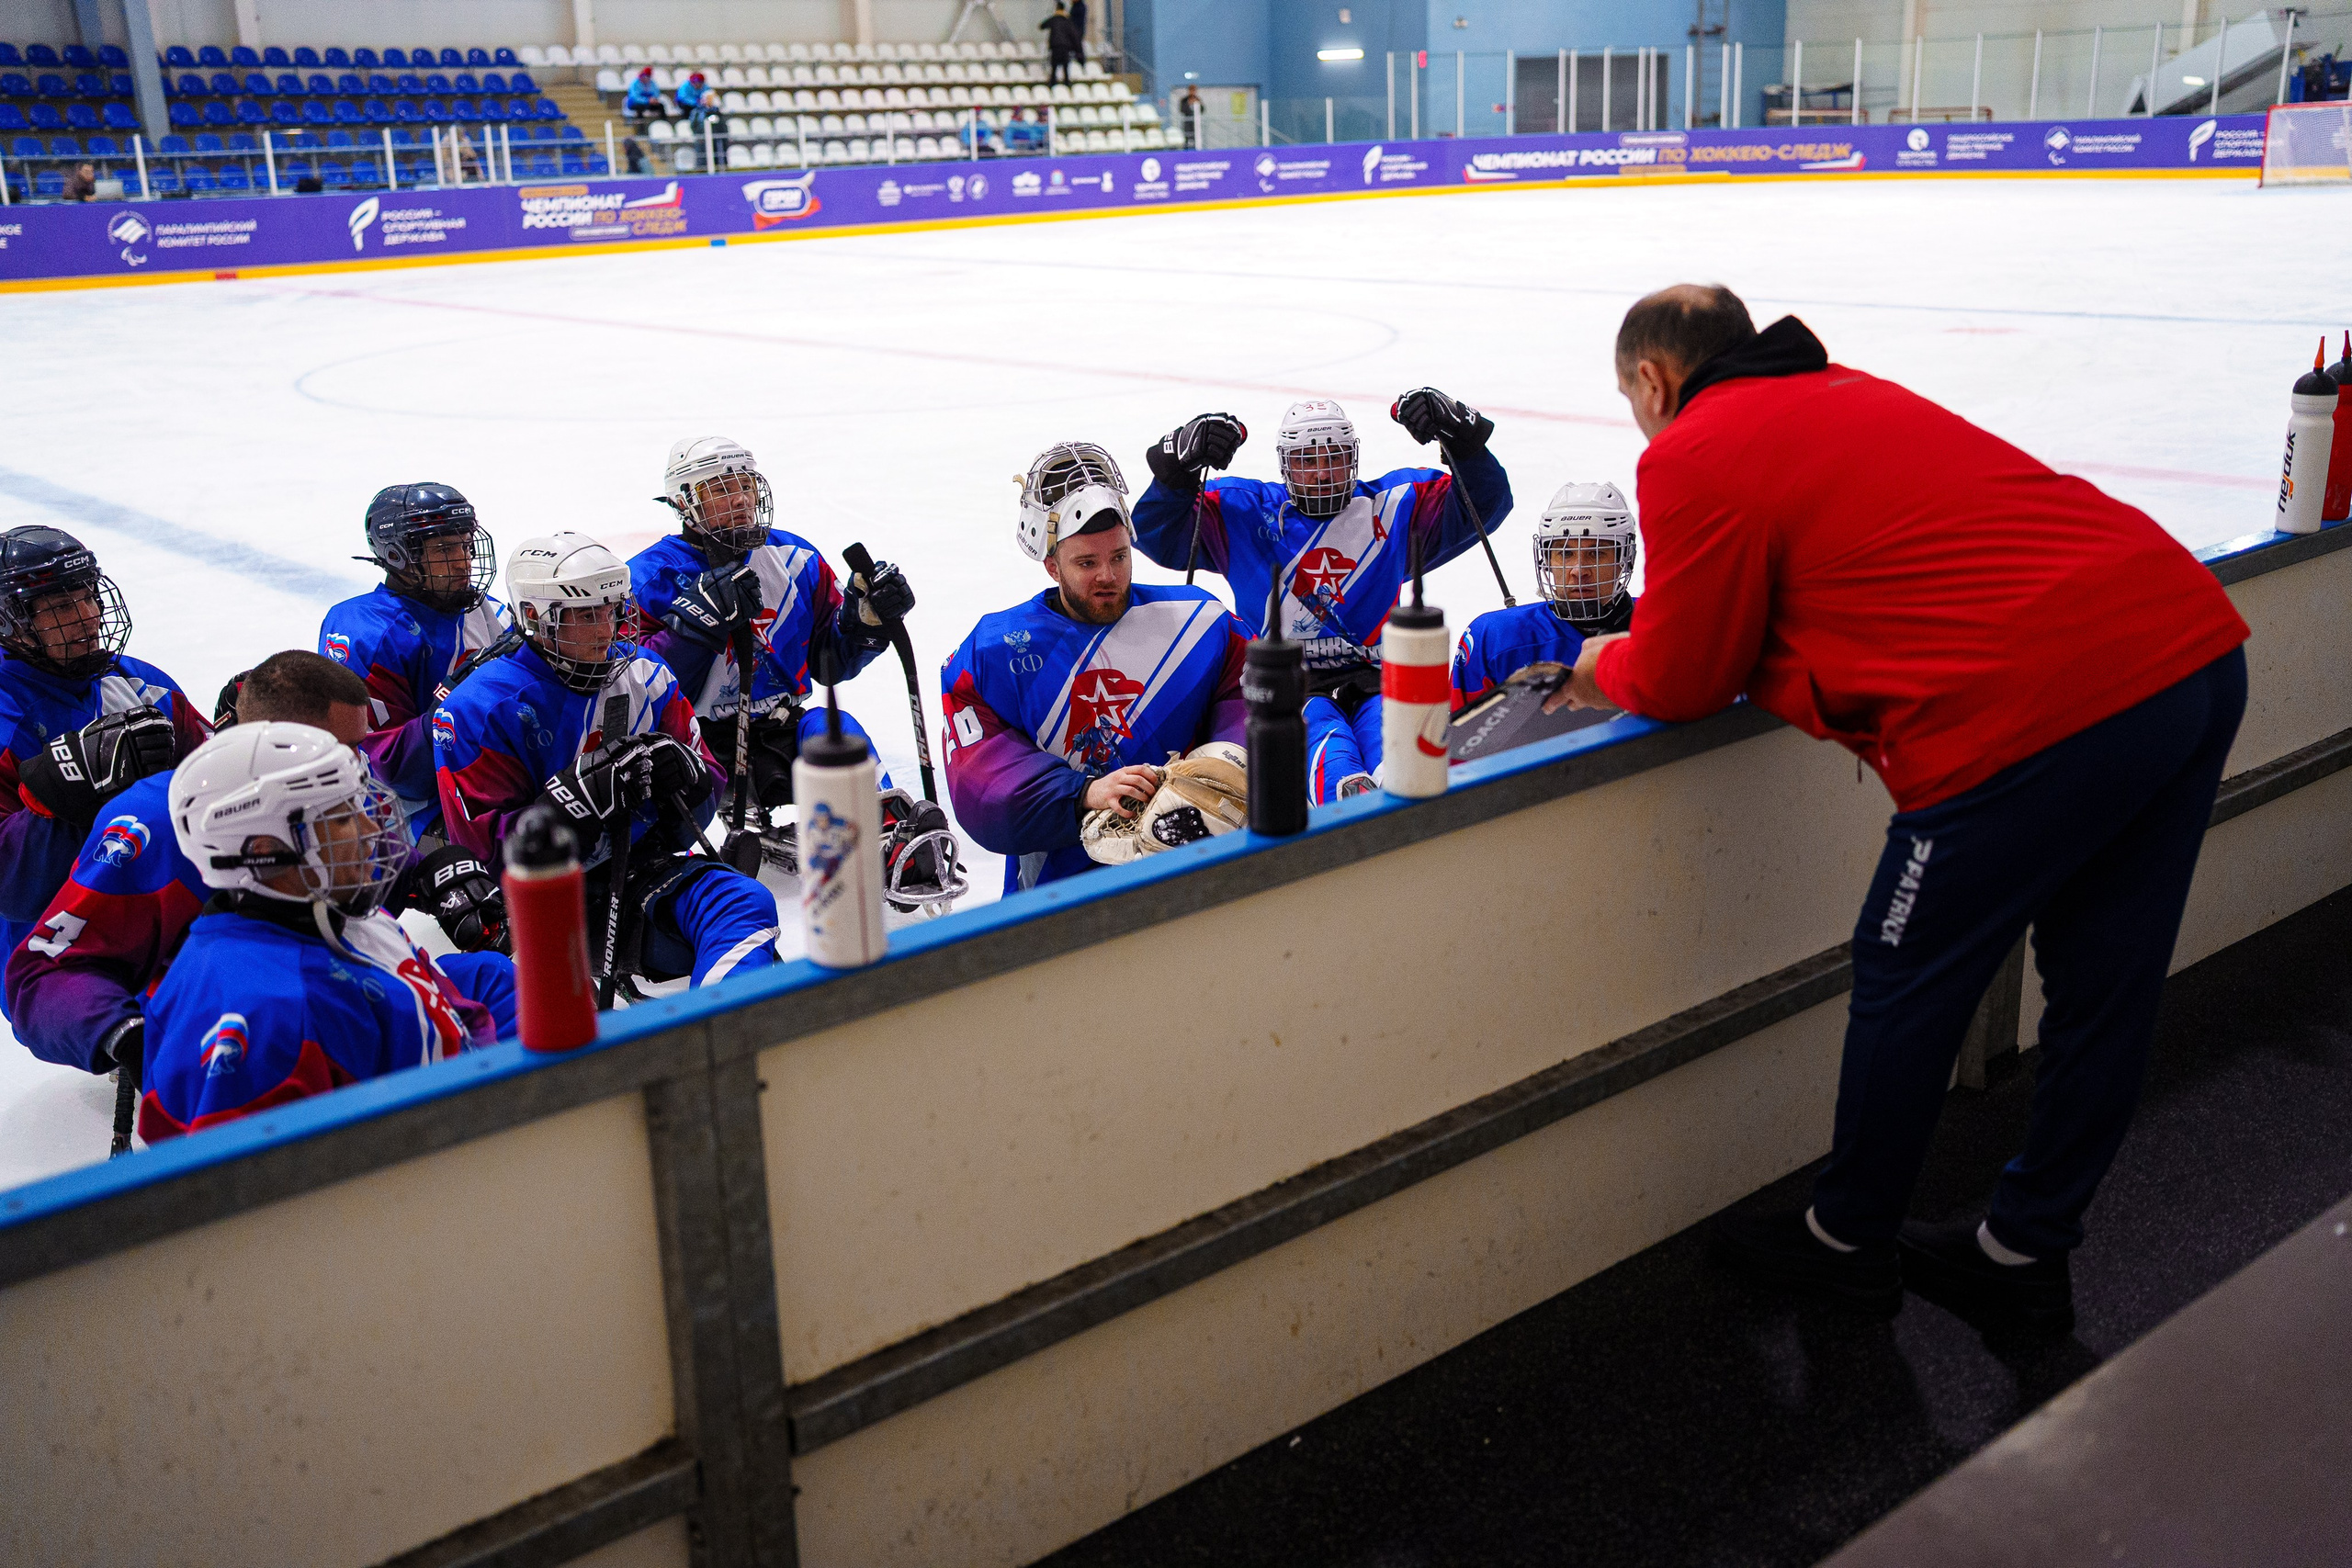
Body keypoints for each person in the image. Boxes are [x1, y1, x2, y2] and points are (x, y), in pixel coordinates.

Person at [1558, 284, 2250, 1330]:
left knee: (1903, 968)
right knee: (2104, 987)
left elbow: (1688, 672)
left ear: (1653, 380)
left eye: (1631, 398)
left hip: (2032, 707)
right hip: (2187, 649)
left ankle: (1845, 1241)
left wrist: (1603, 664)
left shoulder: (1692, 448)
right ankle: (2022, 1252)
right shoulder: (1845, 391)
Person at [7, 650, 514, 1077]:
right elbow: (41, 973)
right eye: (347, 748)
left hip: (331, 972)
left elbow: (358, 866)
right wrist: (125, 1035)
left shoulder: (325, 791)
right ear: (274, 740)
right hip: (250, 1015)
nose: (362, 766)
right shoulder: (158, 823)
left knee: (493, 977)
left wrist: (435, 870)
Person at [435, 532, 784, 993]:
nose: (606, 629)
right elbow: (485, 859)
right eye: (584, 614)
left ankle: (728, 1034)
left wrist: (685, 779)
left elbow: (697, 812)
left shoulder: (647, 676)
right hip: (543, 911)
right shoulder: (477, 709)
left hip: (641, 878)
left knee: (741, 901)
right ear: (537, 619)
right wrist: (568, 807)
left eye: (611, 609)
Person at [137, 723, 512, 1144]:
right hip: (440, 1169)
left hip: (457, 1117)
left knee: (494, 974)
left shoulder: (338, 909)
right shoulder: (265, 1018)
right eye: (343, 818)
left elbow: (454, 1014)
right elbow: (268, 1200)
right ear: (266, 849)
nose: (372, 832)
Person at [1132, 392, 1511, 804]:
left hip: (1379, 679)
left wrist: (1465, 440)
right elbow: (1156, 534)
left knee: (1400, 763)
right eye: (1306, 461)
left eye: (1333, 457)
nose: (1322, 473)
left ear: (1353, 458)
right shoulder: (1244, 512)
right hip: (1289, 687)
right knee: (1331, 760)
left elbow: (1484, 503)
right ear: (1285, 464)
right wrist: (1175, 471)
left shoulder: (1394, 506)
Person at [943, 441, 1250, 893]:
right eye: (1086, 563)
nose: (1108, 575)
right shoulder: (992, 654)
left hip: (1194, 869)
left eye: (1119, 557)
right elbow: (982, 786)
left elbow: (1250, 705)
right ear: (1052, 566)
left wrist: (1225, 763)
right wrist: (1083, 795)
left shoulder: (1203, 624)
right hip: (1061, 894)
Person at [0, 526, 210, 1013]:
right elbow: (10, 890)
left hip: (156, 896)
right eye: (59, 608)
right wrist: (60, 794)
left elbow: (214, 783)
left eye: (89, 597)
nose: (87, 618)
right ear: (12, 623)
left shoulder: (136, 680)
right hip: (53, 945)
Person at [1451, 481, 1637, 709]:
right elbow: (1457, 734)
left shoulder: (1664, 627)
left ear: (1624, 559)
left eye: (1596, 553)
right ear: (1546, 560)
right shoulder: (1495, 638)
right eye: (1565, 553)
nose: (1579, 570)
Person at [1041, 3, 1079, 86]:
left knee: (1054, 68)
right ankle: (1066, 85)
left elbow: (1042, 26)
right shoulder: (1067, 20)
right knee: (1065, 69)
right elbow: (1073, 34)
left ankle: (1053, 85)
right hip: (1065, 47)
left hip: (1055, 47)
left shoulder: (1054, 19)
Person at [1179, 85, 1204, 150]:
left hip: (1195, 122)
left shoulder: (1197, 99)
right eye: (1191, 90)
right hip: (1187, 122)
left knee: (1196, 137)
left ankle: (1196, 148)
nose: (1192, 92)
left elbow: (1203, 110)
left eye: (1194, 90)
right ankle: (1186, 150)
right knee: (1187, 137)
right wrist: (1189, 104)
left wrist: (1199, 104)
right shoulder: (1184, 100)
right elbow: (1182, 110)